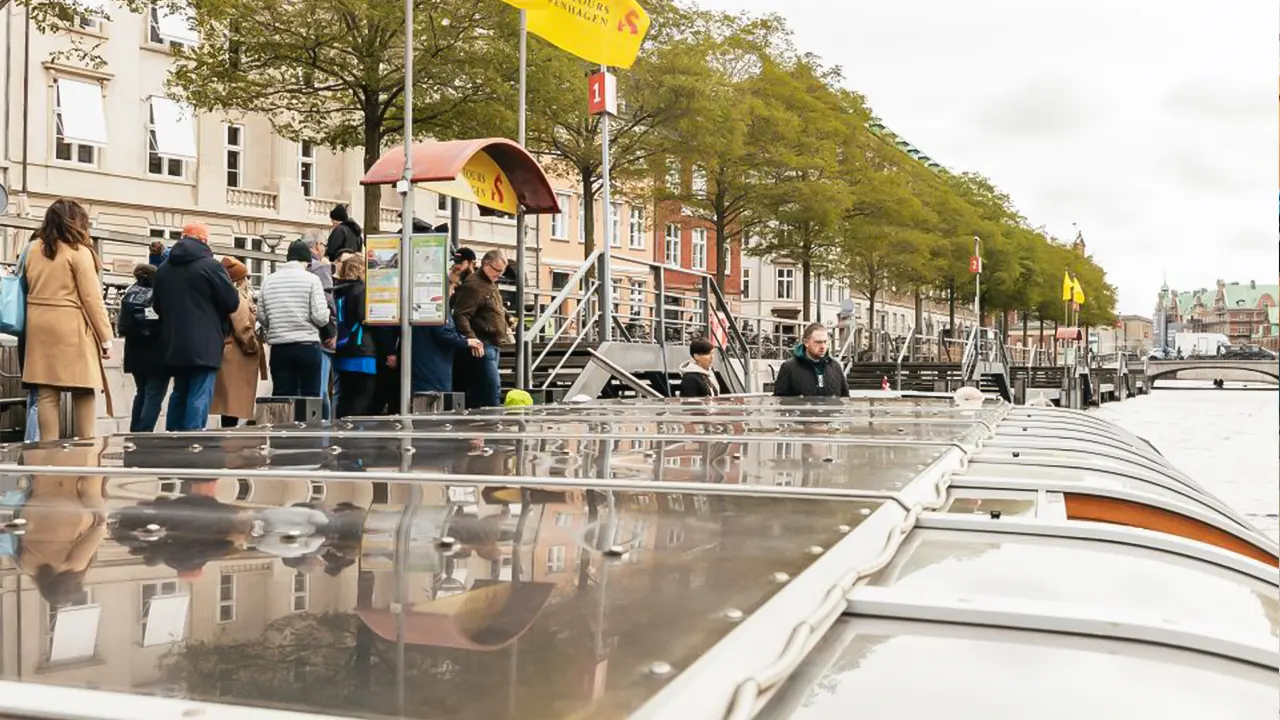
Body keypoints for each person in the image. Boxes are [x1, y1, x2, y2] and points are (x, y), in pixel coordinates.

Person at [22, 199, 114, 439]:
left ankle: (48, 451)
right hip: (71, 326)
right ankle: (86, 448)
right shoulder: (79, 252)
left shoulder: (33, 250)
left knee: (46, 393)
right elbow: (92, 299)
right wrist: (106, 338)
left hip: (38, 324)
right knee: (83, 389)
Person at [152, 222, 241, 431]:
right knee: (200, 392)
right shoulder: (211, 266)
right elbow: (231, 303)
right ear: (204, 240)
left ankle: (174, 438)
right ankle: (194, 440)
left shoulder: (163, 269)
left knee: (179, 392)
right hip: (205, 341)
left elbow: (157, 306)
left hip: (174, 341)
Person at [260, 240, 329, 397]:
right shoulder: (312, 280)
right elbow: (320, 317)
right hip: (307, 345)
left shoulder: (269, 280)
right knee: (309, 397)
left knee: (282, 396)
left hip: (279, 347)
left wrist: (277, 324)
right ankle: (309, 423)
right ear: (306, 260)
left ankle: (283, 422)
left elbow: (262, 316)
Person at [211, 257, 266, 428]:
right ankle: (229, 443)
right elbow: (242, 325)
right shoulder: (238, 297)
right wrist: (252, 346)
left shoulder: (223, 295)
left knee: (229, 404)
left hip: (228, 353)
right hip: (237, 355)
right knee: (233, 403)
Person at [452, 249, 511, 409]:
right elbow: (461, 316)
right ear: (486, 265)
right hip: (483, 344)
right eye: (497, 270)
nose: (499, 275)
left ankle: (485, 426)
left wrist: (507, 319)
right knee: (491, 390)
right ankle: (491, 425)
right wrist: (473, 339)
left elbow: (491, 308)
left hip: (493, 343)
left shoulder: (489, 283)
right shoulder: (474, 285)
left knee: (488, 388)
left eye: (502, 272)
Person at [118, 264, 169, 432]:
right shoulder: (158, 294)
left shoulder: (130, 293)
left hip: (134, 351)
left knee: (141, 393)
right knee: (154, 395)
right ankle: (145, 431)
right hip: (157, 351)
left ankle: (135, 430)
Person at [331, 254, 379, 417]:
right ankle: (355, 436)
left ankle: (341, 431)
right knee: (364, 396)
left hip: (342, 348)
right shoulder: (363, 290)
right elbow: (363, 317)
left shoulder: (337, 290)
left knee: (345, 396)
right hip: (362, 349)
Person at [301, 230, 337, 418]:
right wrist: (331, 332)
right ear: (316, 246)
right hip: (320, 337)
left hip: (297, 337)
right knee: (321, 390)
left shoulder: (294, 269)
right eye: (323, 245)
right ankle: (324, 432)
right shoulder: (320, 269)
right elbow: (327, 303)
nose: (324, 249)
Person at [772, 322, 850, 398]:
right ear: (806, 342)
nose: (823, 346)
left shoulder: (835, 366)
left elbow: (845, 398)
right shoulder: (789, 367)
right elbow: (780, 400)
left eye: (825, 342)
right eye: (818, 342)